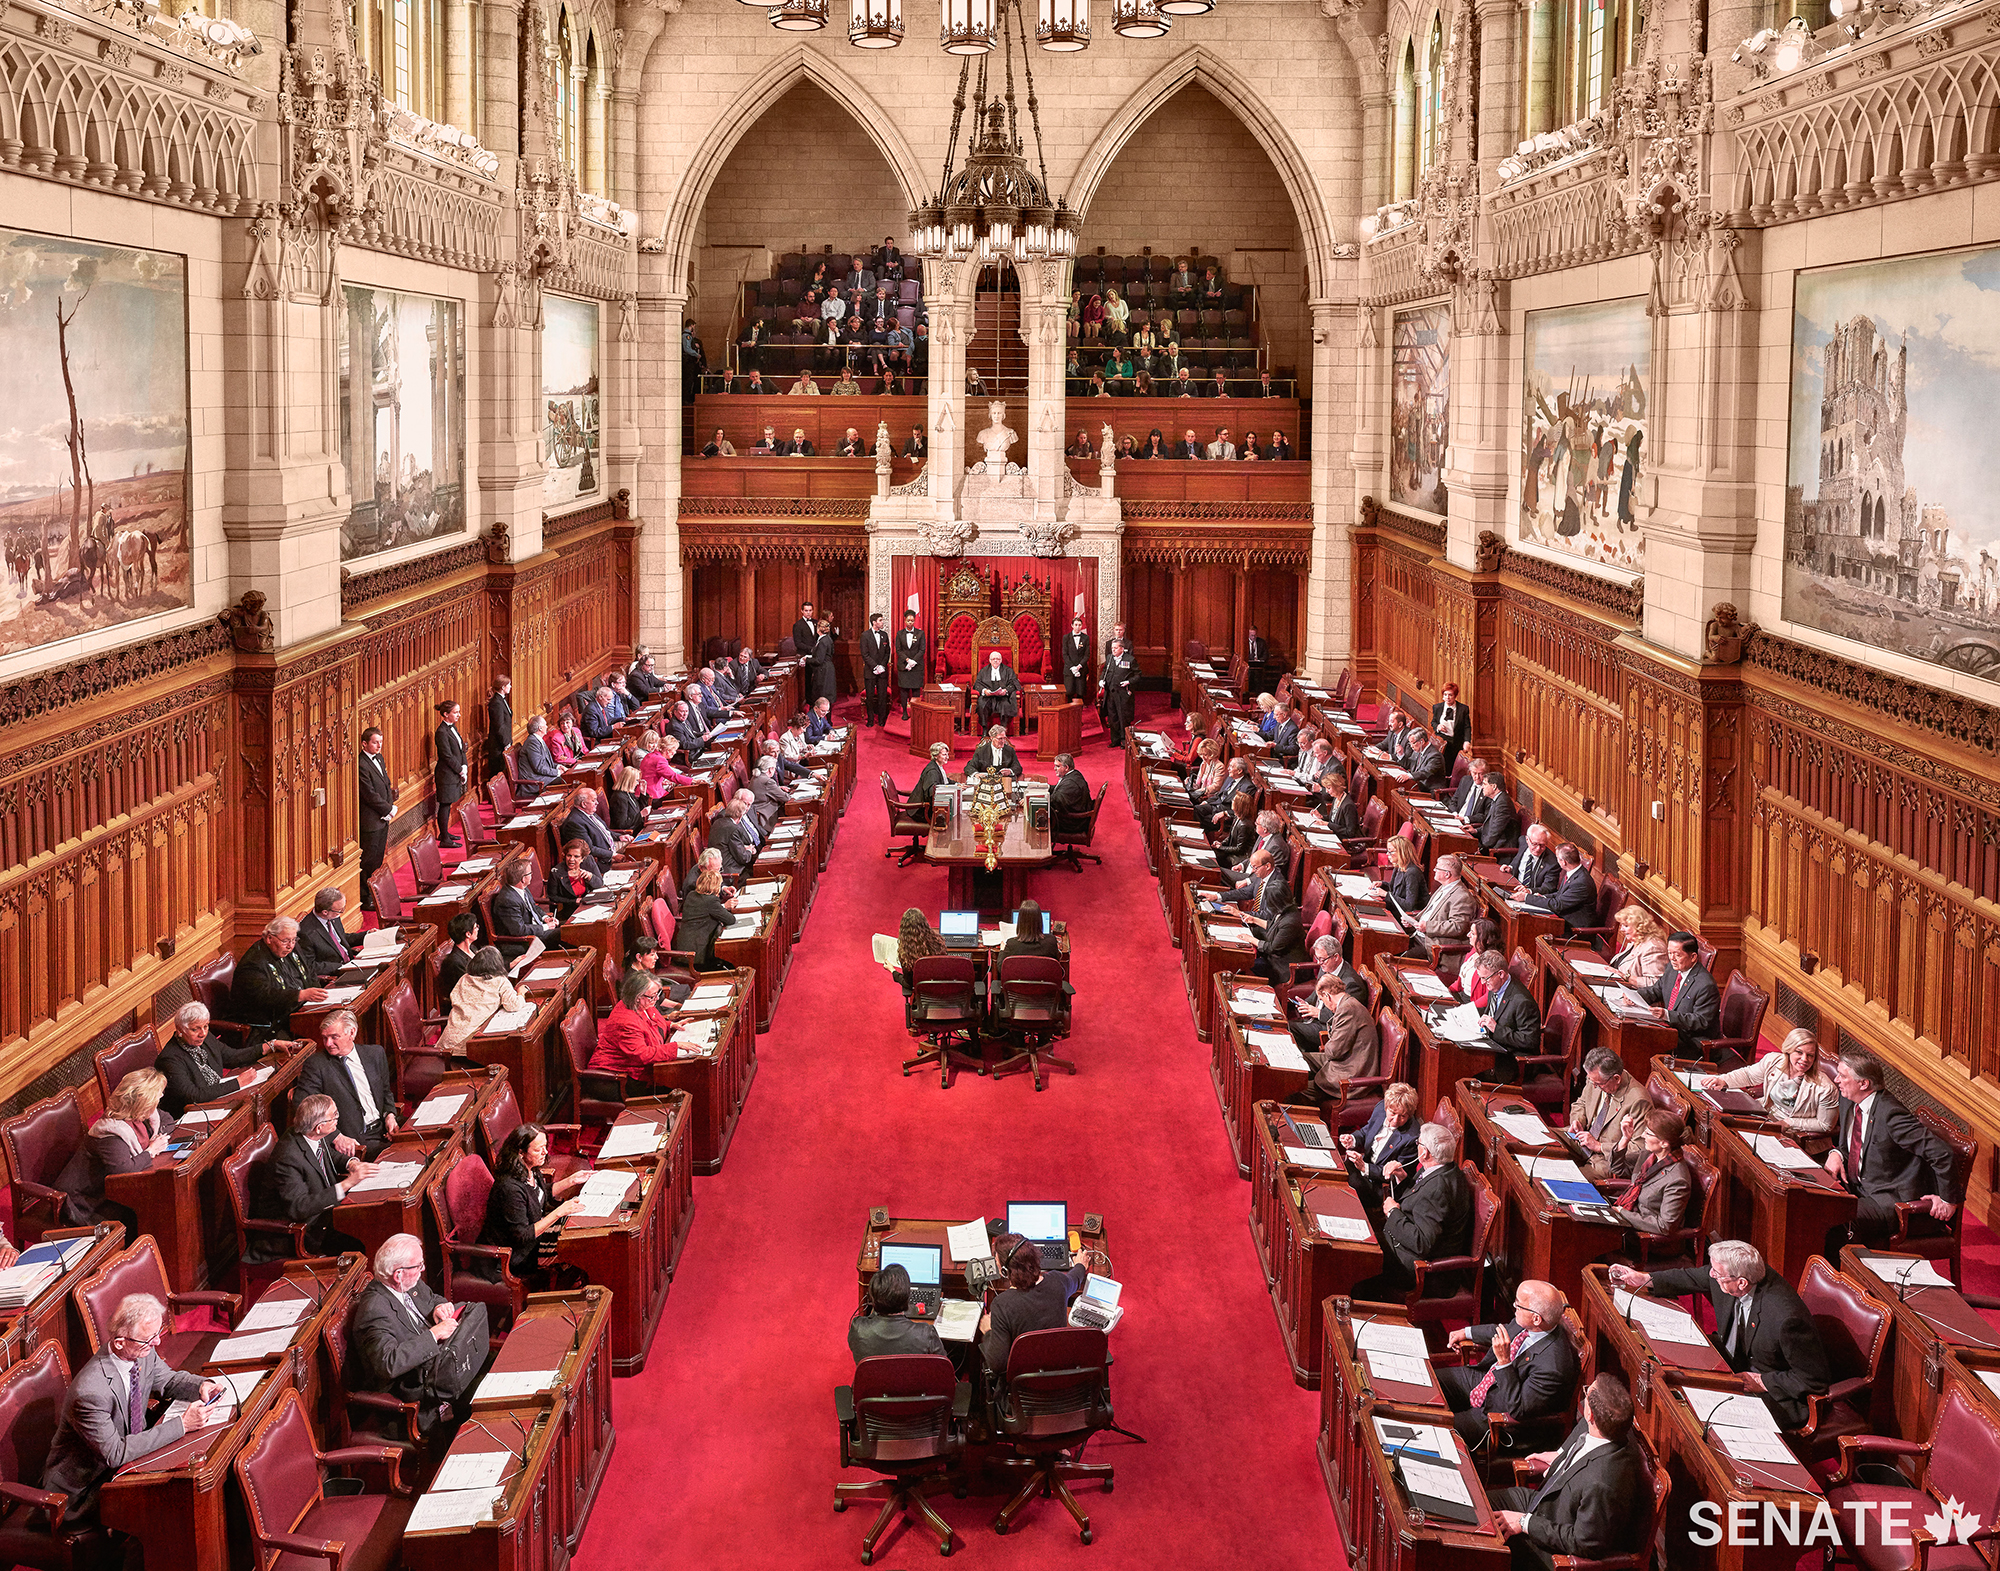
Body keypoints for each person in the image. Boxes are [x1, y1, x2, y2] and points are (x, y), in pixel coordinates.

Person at [41, 1292, 229, 1518]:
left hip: (129, 1465)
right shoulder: (90, 1392)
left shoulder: (140, 1351)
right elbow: (116, 1454)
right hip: (84, 1491)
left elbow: (167, 1380)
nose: (157, 1342)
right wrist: (183, 1425)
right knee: (176, 1500)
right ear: (120, 1342)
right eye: (150, 1339)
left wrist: (201, 1386)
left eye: (157, 1334)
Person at [1607, 1242, 1830, 1428]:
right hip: (1732, 1359)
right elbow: (1696, 1277)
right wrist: (1643, 1278)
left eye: (1717, 1273)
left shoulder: (1785, 1319)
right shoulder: (1736, 1276)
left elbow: (1813, 1379)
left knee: (1704, 1419)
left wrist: (1762, 1381)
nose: (1712, 1275)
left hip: (1772, 1392)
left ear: (1741, 1282)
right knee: (1668, 1362)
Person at [1487, 1374, 1651, 1570]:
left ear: (1590, 1415)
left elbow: (1584, 1543)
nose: (1584, 1395)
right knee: (1479, 1506)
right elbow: (1584, 1427)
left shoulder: (1602, 1483)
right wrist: (1561, 1455)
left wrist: (1524, 1523)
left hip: (1554, 1548)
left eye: (1587, 1393)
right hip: (1544, 1505)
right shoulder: (1612, 1426)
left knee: (1484, 1544)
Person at [1823, 1047, 1962, 1251]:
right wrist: (1836, 1153)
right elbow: (1849, 1146)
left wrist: (1949, 1200)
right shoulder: (1849, 1100)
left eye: (1842, 1076)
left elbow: (1942, 1153)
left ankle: (1836, 1278)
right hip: (1857, 1186)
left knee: (1833, 1220)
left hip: (1887, 1197)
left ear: (1864, 1084)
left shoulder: (1891, 1115)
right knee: (1809, 1201)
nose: (1836, 1080)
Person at [353, 1233, 491, 1434]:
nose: (423, 1269)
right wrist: (434, 1334)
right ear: (398, 1274)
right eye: (418, 1265)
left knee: (493, 1362)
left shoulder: (408, 1283)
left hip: (443, 1363)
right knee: (485, 1390)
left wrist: (439, 1307)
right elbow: (388, 1362)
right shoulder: (374, 1310)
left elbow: (432, 1298)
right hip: (417, 1392)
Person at [1440, 1281, 1581, 1454]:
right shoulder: (1532, 1323)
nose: (1514, 1307)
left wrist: (1504, 1362)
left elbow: (1518, 1408)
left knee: (1439, 1428)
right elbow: (1505, 1331)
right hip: (1487, 1381)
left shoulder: (1552, 1368)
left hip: (1499, 1416)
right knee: (1429, 1383)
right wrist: (1467, 1332)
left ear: (1536, 1318)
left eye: (1518, 1305)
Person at [1354, 1122, 1473, 1299]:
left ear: (1425, 1152)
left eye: (1418, 1143)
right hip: (1404, 1246)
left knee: (1354, 1264)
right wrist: (1402, 1178)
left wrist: (1393, 1212)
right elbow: (1419, 1201)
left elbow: (1422, 1243)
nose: (1417, 1146)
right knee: (1358, 1243)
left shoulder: (1438, 1189)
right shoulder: (1442, 1169)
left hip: (1421, 1269)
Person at [255, 1092, 376, 1257]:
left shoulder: (312, 1134)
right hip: (306, 1230)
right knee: (366, 1239)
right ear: (319, 1126)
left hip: (326, 1213)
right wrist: (347, 1183)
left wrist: (352, 1163)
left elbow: (330, 1156)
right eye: (334, 1117)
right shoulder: (288, 1158)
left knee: (373, 1219)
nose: (337, 1120)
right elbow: (299, 1207)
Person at [58, 1068, 173, 1233]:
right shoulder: (110, 1133)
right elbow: (123, 1170)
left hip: (111, 1191)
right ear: (143, 1102)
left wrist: (155, 1135)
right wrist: (151, 1151)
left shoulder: (141, 1114)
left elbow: (168, 1121)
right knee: (153, 1209)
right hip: (89, 1200)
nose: (160, 1099)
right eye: (157, 1096)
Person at [480, 1123, 589, 1283]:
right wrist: (559, 1212)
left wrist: (571, 1180)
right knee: (576, 1245)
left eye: (545, 1146)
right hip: (521, 1254)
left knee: (581, 1230)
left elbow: (539, 1193)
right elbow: (522, 1236)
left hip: (534, 1237)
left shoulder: (530, 1168)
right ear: (521, 1152)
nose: (545, 1152)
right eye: (538, 1149)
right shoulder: (509, 1189)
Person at [1700, 1028, 1839, 1153]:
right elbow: (1749, 1075)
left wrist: (1789, 1123)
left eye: (1810, 1055)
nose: (1804, 1059)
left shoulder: (1825, 1088)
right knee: (1725, 1131)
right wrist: (1724, 1080)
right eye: (1799, 1052)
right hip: (1765, 1118)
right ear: (1788, 1050)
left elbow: (1825, 1125)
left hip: (1797, 1135)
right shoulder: (1773, 1061)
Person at [297, 1009, 398, 1158]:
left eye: (334, 1037)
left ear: (352, 1033)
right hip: (355, 1141)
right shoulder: (316, 1065)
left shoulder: (375, 1054)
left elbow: (385, 1092)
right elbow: (304, 1107)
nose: (328, 1043)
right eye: (325, 1038)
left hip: (384, 1128)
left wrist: (390, 1115)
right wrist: (336, 1137)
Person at [980, 1233, 1086, 1375]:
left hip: (1024, 1388)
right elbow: (1075, 1278)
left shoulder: (1002, 1304)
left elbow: (998, 1365)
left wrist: (988, 1332)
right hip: (1059, 1378)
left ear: (1004, 1271)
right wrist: (1080, 1265)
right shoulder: (1058, 1281)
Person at [156, 1001, 269, 1116]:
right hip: (190, 1114)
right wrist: (237, 1083)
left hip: (215, 1100)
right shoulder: (170, 1059)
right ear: (180, 1030)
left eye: (206, 1026)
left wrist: (268, 1047)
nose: (203, 1033)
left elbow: (232, 1056)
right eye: (195, 1029)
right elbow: (193, 1095)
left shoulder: (205, 1038)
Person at [229, 916, 329, 1041]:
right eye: (285, 941)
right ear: (269, 938)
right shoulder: (253, 963)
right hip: (269, 1026)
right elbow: (264, 995)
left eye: (294, 940)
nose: (290, 946)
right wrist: (300, 995)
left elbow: (309, 972)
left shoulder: (291, 948)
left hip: (300, 1011)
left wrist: (318, 994)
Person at [1568, 1049, 1654, 1178]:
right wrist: (1578, 1121)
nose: (1594, 1086)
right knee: (1545, 1143)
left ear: (1616, 1078)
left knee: (1569, 1179)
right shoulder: (1596, 1079)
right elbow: (1581, 1103)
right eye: (1592, 1082)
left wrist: (1599, 1146)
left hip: (1604, 1160)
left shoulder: (1638, 1101)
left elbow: (1639, 1148)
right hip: (1581, 1139)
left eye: (1598, 1084)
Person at [1635, 933, 1720, 1057]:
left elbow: (1701, 1021)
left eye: (1677, 955)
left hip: (1692, 1042)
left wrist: (1668, 1015)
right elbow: (1657, 990)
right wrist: (1635, 996)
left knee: (1642, 1042)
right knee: (1635, 1033)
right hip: (1671, 1031)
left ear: (1693, 957)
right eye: (1670, 953)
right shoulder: (1672, 968)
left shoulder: (1706, 985)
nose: (1672, 958)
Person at [1297, 975, 1379, 1103]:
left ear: (1327, 995)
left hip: (1351, 1071)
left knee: (1296, 1090)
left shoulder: (1347, 1010)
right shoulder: (1347, 1004)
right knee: (1299, 1058)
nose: (1324, 1004)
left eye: (1322, 1000)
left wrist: (1329, 1043)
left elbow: (1333, 1052)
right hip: (1344, 1060)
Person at [435, 946, 527, 1055]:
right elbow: (513, 1005)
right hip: (471, 1047)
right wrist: (521, 993)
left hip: (446, 1046)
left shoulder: (464, 978)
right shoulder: (500, 981)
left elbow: (454, 997)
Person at [590, 971, 679, 1078]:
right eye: (653, 996)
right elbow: (642, 1055)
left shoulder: (643, 1004)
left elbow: (654, 1024)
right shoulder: (626, 1022)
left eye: (657, 994)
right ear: (638, 997)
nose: (657, 999)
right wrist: (675, 1048)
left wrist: (671, 1026)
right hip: (618, 1075)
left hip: (638, 1066)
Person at [849, 1262, 944, 1362]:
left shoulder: (858, 1328)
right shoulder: (926, 1333)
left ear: (872, 1298)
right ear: (907, 1298)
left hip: (873, 1377)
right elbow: (943, 1367)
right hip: (912, 1377)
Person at [1340, 1081, 1421, 1196]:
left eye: (1403, 1116)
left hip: (1379, 1185)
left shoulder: (1412, 1138)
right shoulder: (1380, 1109)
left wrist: (1365, 1167)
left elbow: (1397, 1175)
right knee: (1337, 1170)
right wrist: (1353, 1139)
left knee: (1344, 1186)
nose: (1396, 1120)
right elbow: (1367, 1131)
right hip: (1363, 1167)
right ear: (1386, 1107)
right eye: (1393, 1113)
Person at [1476, 950, 1540, 1084]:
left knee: (1467, 1070)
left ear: (1501, 974)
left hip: (1513, 1062)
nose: (1482, 983)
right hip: (1496, 1050)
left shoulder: (1522, 1001)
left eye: (1485, 978)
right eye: (1480, 978)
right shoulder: (1495, 986)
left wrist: (1496, 1029)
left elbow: (1529, 1041)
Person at [1408, 855, 1479, 957]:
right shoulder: (1444, 887)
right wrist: (1413, 920)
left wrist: (1427, 927)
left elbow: (1457, 926)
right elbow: (1430, 912)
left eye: (1437, 868)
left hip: (1432, 946)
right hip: (1418, 935)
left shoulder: (1462, 897)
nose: (1434, 869)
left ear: (1447, 874)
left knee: (1395, 959)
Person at [492, 859, 558, 963]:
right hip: (523, 941)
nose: (532, 875)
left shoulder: (522, 888)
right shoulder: (507, 900)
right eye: (530, 873)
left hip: (536, 929)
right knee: (564, 934)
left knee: (569, 927)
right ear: (523, 879)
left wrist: (546, 918)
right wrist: (545, 927)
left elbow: (534, 907)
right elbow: (519, 930)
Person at [358, 725, 395, 909]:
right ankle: (366, 898)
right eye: (375, 742)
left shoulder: (378, 758)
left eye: (380, 742)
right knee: (369, 860)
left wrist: (389, 808)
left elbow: (385, 784)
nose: (379, 746)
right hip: (371, 819)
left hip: (383, 817)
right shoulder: (361, 764)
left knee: (378, 859)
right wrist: (387, 808)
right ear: (364, 744)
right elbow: (369, 794)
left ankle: (374, 892)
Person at [1522, 843, 1598, 932]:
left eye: (1557, 858)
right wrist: (1542, 897)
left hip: (1574, 929)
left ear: (1563, 862)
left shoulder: (1581, 882)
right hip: (1563, 919)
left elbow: (1557, 905)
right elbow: (1560, 894)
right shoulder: (1574, 873)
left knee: (1529, 927)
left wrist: (1526, 897)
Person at [677, 867, 736, 971]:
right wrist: (725, 907)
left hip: (685, 948)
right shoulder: (711, 901)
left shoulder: (692, 895)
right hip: (698, 955)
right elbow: (730, 920)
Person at [295, 886, 358, 979]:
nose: (341, 912)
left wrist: (368, 935)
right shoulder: (306, 933)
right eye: (340, 910)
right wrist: (340, 967)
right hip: (337, 974)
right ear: (325, 912)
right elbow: (310, 966)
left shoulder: (333, 916)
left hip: (352, 964)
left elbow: (342, 939)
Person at [560, 787, 621, 874]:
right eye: (593, 800)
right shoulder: (574, 823)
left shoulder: (589, 813)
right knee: (638, 853)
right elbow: (589, 849)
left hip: (611, 846)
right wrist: (613, 855)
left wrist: (620, 837)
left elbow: (605, 831)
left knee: (639, 843)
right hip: (603, 859)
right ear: (584, 804)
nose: (597, 803)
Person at [433, 698, 467, 846]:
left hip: (454, 772)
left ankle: (445, 833)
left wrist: (464, 766)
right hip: (446, 774)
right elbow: (446, 755)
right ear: (446, 714)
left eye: (459, 712)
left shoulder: (452, 728)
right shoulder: (441, 732)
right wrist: (460, 770)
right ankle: (444, 838)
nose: (459, 715)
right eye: (455, 712)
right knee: (445, 805)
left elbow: (461, 749)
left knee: (449, 804)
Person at [1607, 904, 1669, 985]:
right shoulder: (1636, 941)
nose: (1621, 929)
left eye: (1626, 926)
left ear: (1639, 926)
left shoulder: (1653, 947)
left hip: (1634, 994)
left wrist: (1627, 977)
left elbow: (1654, 982)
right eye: (1621, 925)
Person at [546, 838, 604, 922]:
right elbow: (552, 897)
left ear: (583, 858)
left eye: (576, 856)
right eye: (569, 855)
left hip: (591, 906)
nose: (571, 859)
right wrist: (573, 901)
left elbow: (600, 884)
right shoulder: (556, 872)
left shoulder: (589, 862)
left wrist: (590, 877)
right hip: (570, 911)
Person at [708, 794, 760, 882]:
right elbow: (743, 858)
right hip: (732, 871)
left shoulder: (718, 822)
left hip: (722, 864)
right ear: (740, 816)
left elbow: (727, 845)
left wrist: (744, 848)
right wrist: (749, 851)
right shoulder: (733, 829)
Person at [435, 912, 481, 1003]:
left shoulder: (472, 948)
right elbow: (469, 989)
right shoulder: (454, 962)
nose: (478, 929)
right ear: (468, 934)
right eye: (476, 927)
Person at [972, 648, 1021, 733]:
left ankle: (1003, 730)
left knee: (1006, 704)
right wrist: (984, 691)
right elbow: (977, 684)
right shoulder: (983, 671)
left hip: (1003, 697)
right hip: (988, 697)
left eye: (997, 659)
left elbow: (1014, 684)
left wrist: (1006, 691)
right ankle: (985, 730)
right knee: (982, 704)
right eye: (993, 659)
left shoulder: (1008, 671)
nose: (995, 661)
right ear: (990, 660)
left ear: (1001, 660)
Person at [1508, 825, 1562, 898]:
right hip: (1512, 887)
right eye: (1535, 844)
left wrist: (1529, 891)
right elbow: (1517, 860)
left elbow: (1548, 888)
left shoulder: (1553, 863)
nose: (1538, 849)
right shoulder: (1523, 842)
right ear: (1527, 840)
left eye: (1542, 845)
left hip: (1532, 897)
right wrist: (1510, 867)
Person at [1101, 637, 1137, 744]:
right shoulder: (1109, 658)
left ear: (1122, 648)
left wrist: (1128, 682)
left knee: (1122, 718)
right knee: (1112, 717)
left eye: (1115, 648)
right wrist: (1101, 681)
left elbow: (1138, 675)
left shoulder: (1130, 659)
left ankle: (1124, 741)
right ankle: (1114, 740)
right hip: (1110, 692)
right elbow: (1104, 671)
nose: (1113, 650)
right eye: (1112, 648)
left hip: (1122, 693)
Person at [860, 612, 891, 727]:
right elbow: (865, 654)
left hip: (882, 672)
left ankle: (882, 720)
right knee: (870, 696)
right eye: (880, 620)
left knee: (882, 696)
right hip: (870, 671)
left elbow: (887, 652)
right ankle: (871, 720)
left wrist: (882, 666)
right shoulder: (865, 635)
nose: (882, 622)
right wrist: (875, 666)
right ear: (874, 622)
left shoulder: (884, 635)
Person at [1431, 682, 1471, 772]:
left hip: (1456, 741)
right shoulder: (1437, 707)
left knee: (1452, 767)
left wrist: (1467, 741)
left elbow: (1467, 727)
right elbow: (1433, 722)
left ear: (1455, 696)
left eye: (1450, 695)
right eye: (1445, 695)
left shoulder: (1463, 709)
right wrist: (1438, 726)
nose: (1447, 698)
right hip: (1442, 740)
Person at [1383, 832, 1428, 911]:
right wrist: (1381, 884)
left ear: (1401, 852)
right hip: (1395, 909)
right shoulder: (1398, 867)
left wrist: (1386, 895)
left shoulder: (1412, 873)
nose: (1387, 854)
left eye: (1390, 851)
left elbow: (1409, 906)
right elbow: (1393, 889)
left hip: (1404, 916)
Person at [897, 907, 946, 976]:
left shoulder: (906, 953)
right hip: (936, 984)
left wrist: (893, 971)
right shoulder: (938, 942)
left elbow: (908, 984)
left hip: (918, 985)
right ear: (924, 923)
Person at [1049, 753, 1091, 835]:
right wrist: (1046, 787)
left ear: (1066, 767)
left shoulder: (1070, 784)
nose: (1054, 769)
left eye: (1057, 766)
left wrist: (1036, 797)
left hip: (1072, 823)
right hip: (1075, 817)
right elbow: (1059, 790)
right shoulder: (1074, 774)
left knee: (1039, 816)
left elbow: (1055, 801)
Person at [895, 610, 926, 715]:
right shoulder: (899, 634)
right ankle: (904, 712)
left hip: (916, 667)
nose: (910, 623)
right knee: (904, 690)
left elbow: (922, 650)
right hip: (904, 666)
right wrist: (908, 660)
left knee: (916, 690)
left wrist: (913, 661)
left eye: (912, 621)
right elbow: (898, 650)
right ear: (904, 621)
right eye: (908, 620)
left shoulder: (920, 633)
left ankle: (916, 712)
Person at [1478, 777, 1522, 853]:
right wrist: (1475, 830)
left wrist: (1482, 848)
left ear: (1494, 786)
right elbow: (1491, 824)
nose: (1482, 787)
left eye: (1485, 784)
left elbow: (1496, 831)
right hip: (1492, 842)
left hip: (1500, 848)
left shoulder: (1503, 803)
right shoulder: (1498, 799)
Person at [484, 676, 513, 783]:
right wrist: (506, 743)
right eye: (508, 684)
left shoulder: (501, 700)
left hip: (503, 744)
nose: (510, 686)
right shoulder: (496, 703)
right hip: (498, 746)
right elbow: (499, 726)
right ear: (502, 687)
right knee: (497, 775)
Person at [910, 741, 950, 809]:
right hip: (921, 809)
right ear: (935, 756)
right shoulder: (932, 772)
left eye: (947, 754)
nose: (947, 757)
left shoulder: (936, 765)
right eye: (944, 755)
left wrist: (956, 785)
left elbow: (943, 779)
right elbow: (933, 793)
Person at [1060, 617, 1092, 701]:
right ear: (1072, 626)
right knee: (1069, 691)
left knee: (1080, 691)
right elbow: (1065, 654)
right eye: (1076, 625)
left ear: (1082, 626)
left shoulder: (1086, 638)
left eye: (1080, 625)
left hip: (1081, 668)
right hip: (1069, 668)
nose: (1078, 627)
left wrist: (1079, 666)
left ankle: (1080, 709)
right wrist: (1072, 667)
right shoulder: (1066, 637)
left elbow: (1087, 654)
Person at [808, 618, 837, 707]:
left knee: (823, 694)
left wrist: (807, 660)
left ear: (819, 629)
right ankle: (828, 720)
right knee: (827, 694)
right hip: (828, 668)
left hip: (823, 671)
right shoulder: (828, 639)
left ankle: (824, 719)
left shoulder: (823, 641)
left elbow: (819, 660)